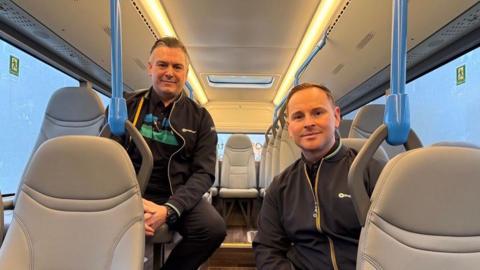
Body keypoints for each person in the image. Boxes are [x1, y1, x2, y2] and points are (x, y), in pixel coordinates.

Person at [112, 37, 226, 269]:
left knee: (213, 229)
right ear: (150, 67)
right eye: (162, 65)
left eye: (177, 67)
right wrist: (126, 205)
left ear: (186, 73)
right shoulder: (124, 106)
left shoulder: (200, 118)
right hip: (129, 191)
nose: (169, 73)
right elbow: (104, 161)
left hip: (176, 193)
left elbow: (204, 174)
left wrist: (170, 209)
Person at [253, 83, 384, 270]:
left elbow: (392, 243)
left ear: (336, 117)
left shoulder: (371, 173)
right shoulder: (280, 186)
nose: (308, 123)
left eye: (317, 113)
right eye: (298, 116)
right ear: (290, 128)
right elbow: (267, 248)